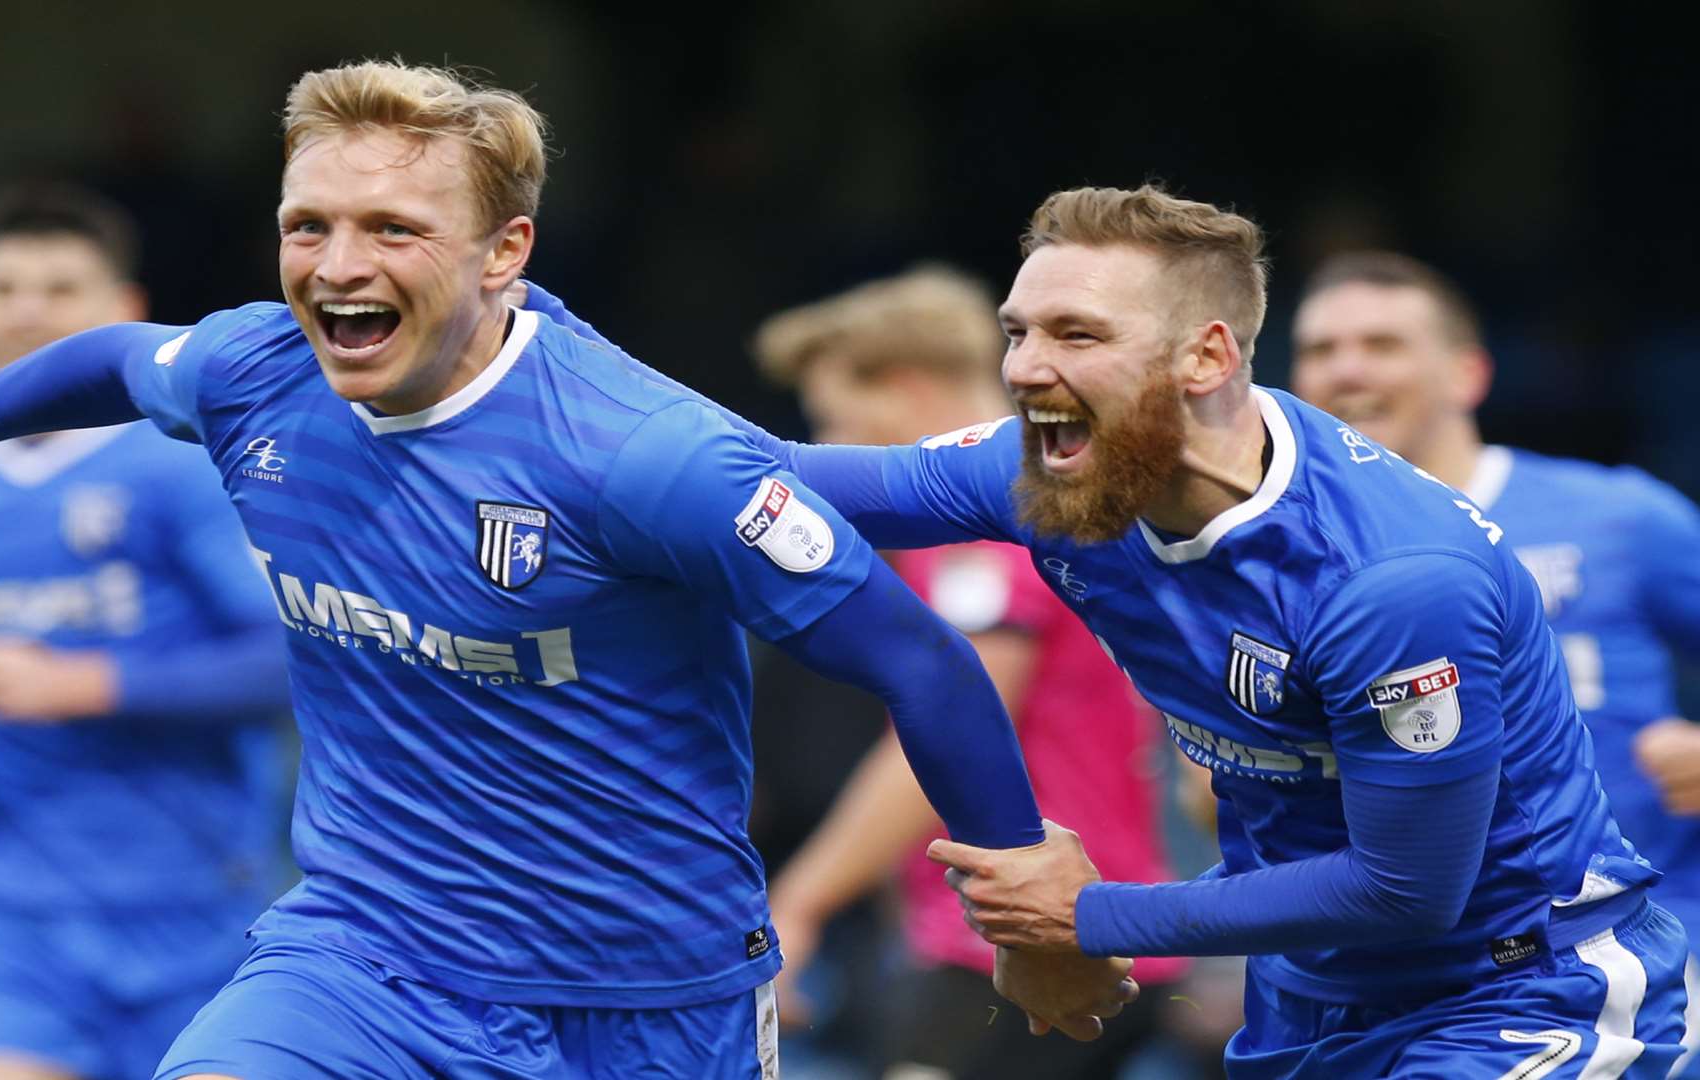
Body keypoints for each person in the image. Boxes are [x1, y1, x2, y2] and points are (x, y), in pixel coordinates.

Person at [0, 62, 1136, 1078]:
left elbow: (919, 658)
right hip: (364, 956)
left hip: (648, 1001)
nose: (336, 266)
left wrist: (1034, 929)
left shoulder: (641, 455)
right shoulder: (253, 370)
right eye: (308, 224)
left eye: (391, 228)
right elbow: (112, 361)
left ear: (504, 252)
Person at [523, 184, 1691, 1077]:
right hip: (1311, 1004)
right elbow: (758, 479)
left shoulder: (1393, 581)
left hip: (1518, 998)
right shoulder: (1042, 478)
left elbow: (1406, 892)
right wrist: (530, 371)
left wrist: (1083, 914)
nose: (1027, 369)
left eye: (1075, 336)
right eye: (1019, 331)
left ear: (1207, 356)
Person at [0, 186, 293, 1080]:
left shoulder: (186, 470)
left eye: (60, 289)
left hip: (185, 906)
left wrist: (93, 685)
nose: (26, 310)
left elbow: (292, 662)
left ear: (124, 315)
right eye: (2, 287)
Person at [754, 266, 1186, 1078]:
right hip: (1034, 930)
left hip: (1040, 934)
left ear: (909, 390)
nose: (835, 448)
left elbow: (954, 715)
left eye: (838, 419)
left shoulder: (1000, 526)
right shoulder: (1030, 508)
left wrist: (798, 905)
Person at [1289, 249, 1700, 1074]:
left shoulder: (1615, 517)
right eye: (1321, 350)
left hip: (1635, 953)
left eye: (1383, 343)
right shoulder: (1281, 562)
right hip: (1387, 972)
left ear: (1468, 373)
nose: (1348, 369)